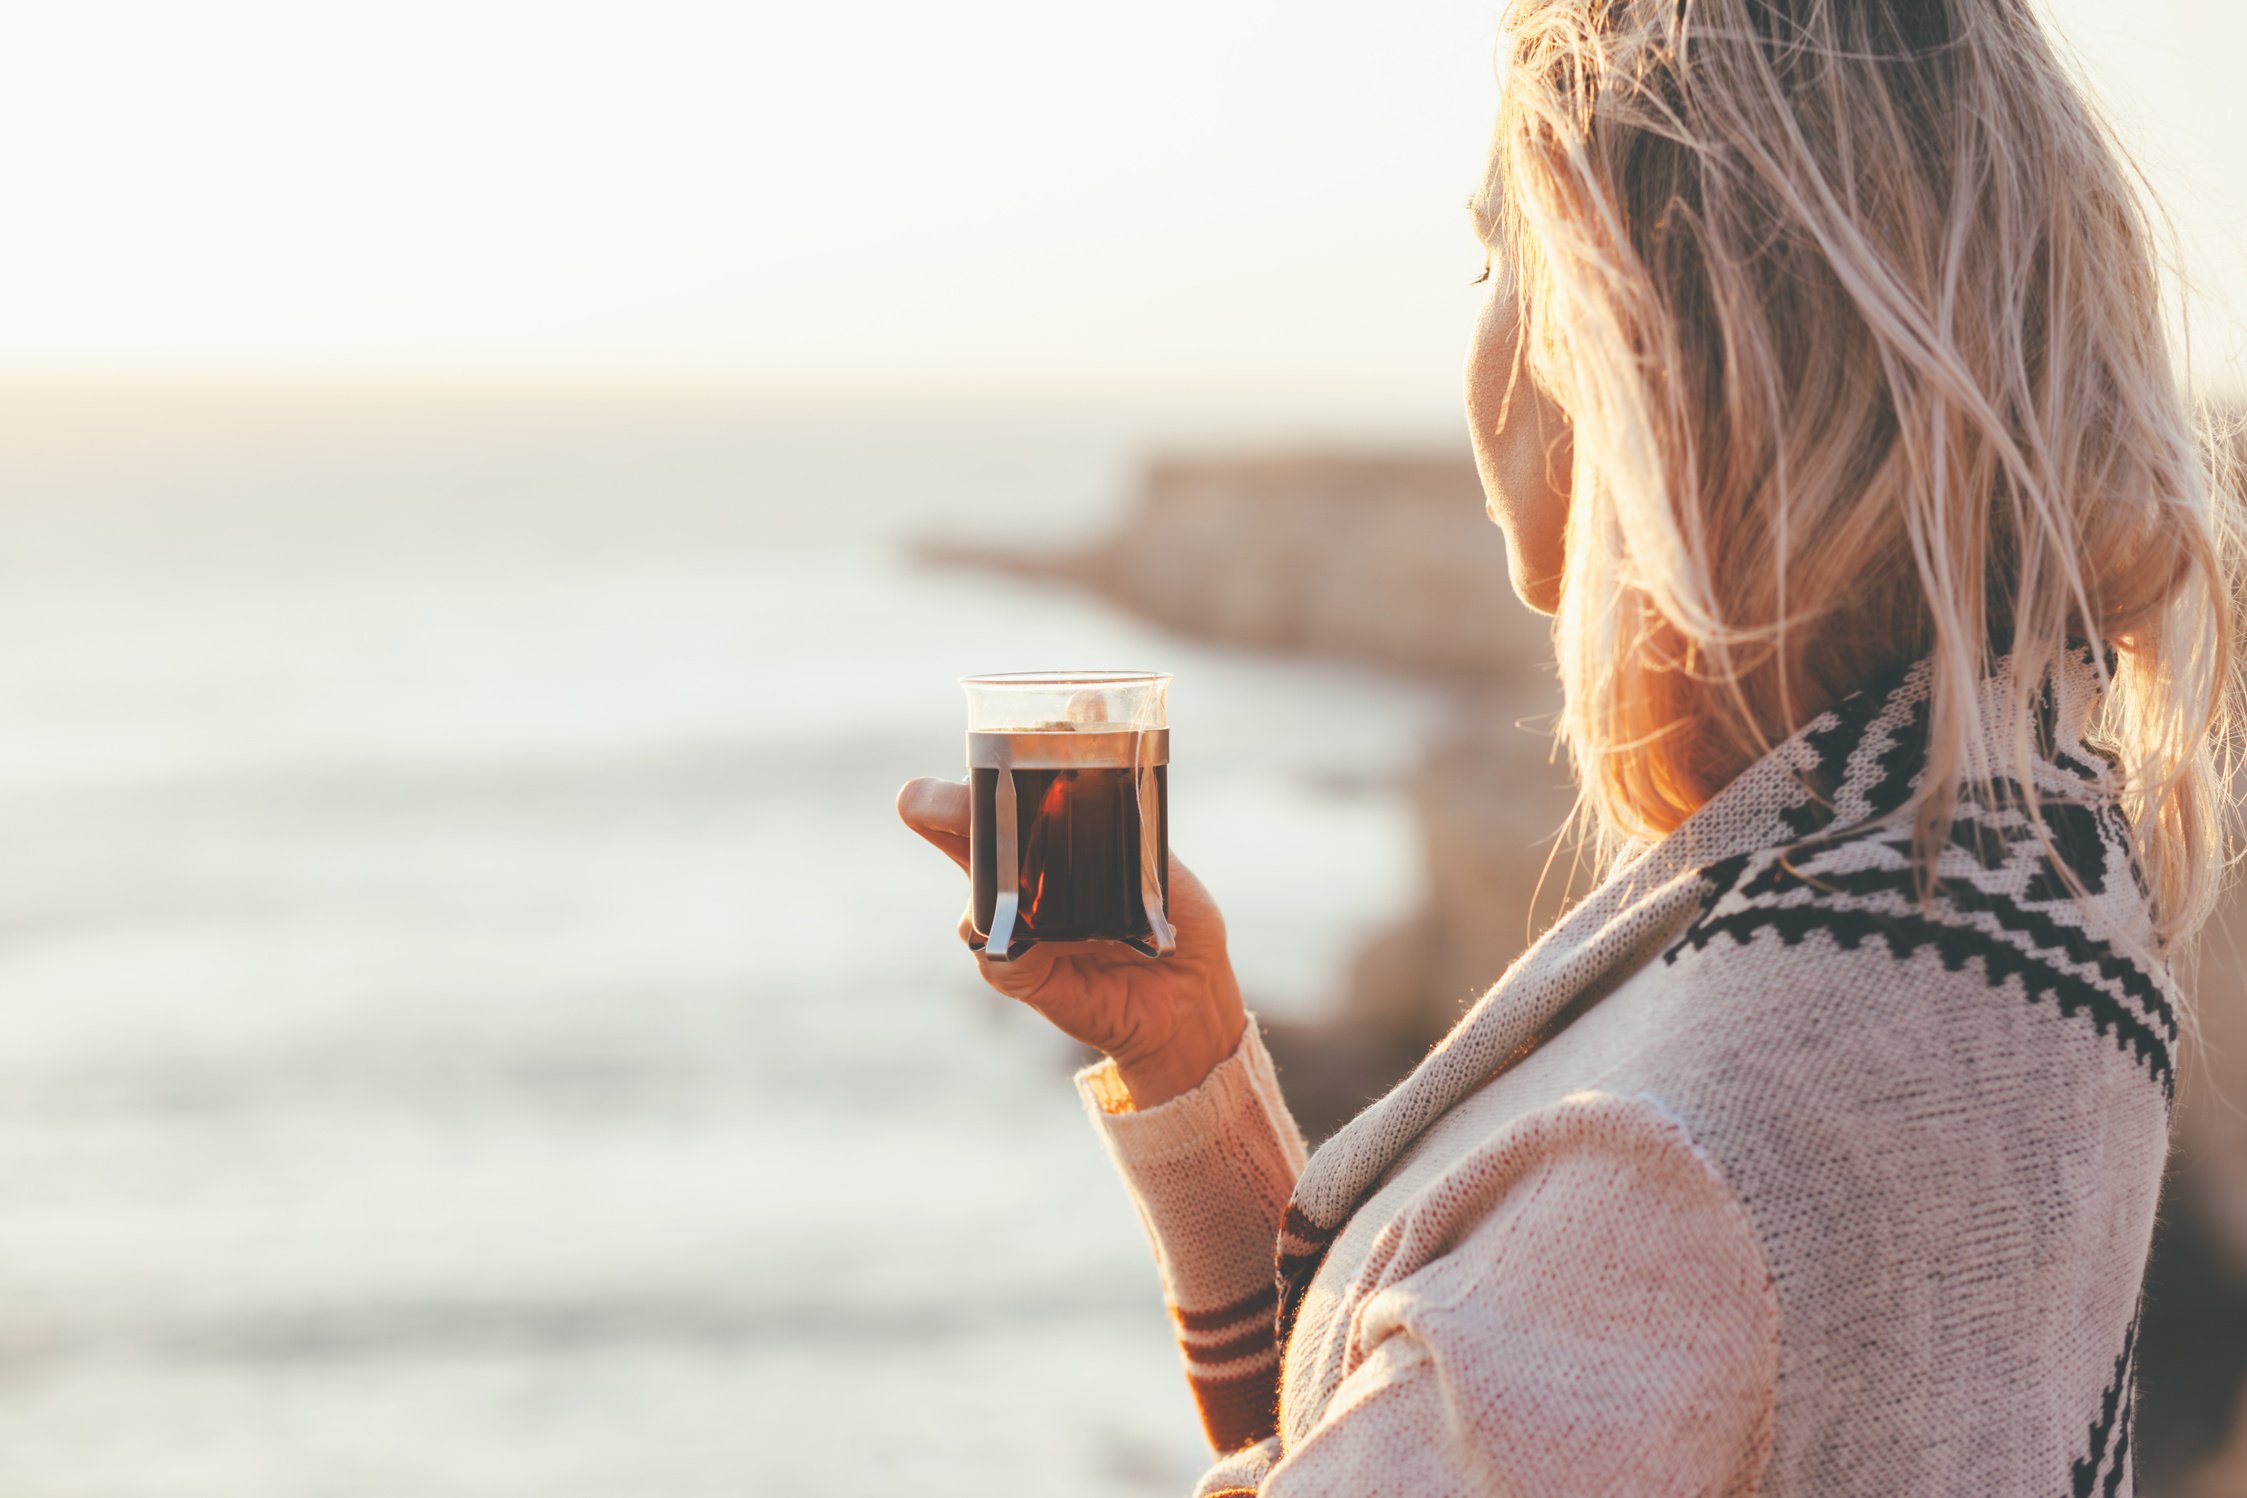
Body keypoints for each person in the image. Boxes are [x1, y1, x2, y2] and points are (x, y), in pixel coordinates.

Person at [898, 0, 2239, 1491]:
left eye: (1497, 260)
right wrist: (1192, 1066)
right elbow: (1478, 1405)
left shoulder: (1684, 1154)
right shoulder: (2029, 862)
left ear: (1644, 351)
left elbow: (1555, 1342)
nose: (1474, 352)